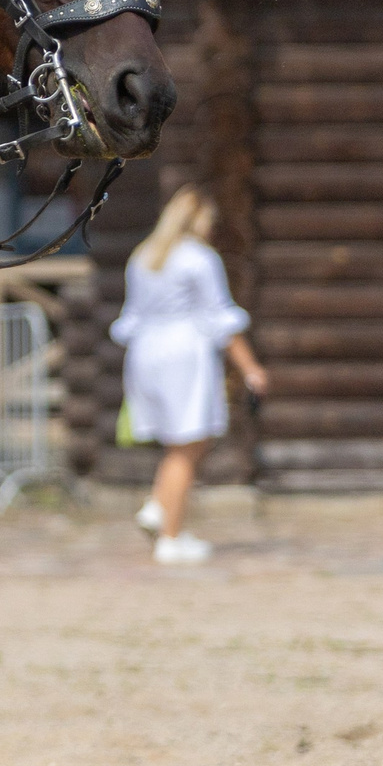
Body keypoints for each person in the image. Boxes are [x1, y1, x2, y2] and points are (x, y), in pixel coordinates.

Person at [110, 185, 268, 565]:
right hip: (183, 354)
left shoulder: (143, 256)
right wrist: (251, 368)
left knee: (183, 441)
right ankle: (170, 537)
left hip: (145, 353)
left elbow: (130, 318)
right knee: (186, 443)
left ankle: (157, 505)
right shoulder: (199, 258)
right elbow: (219, 318)